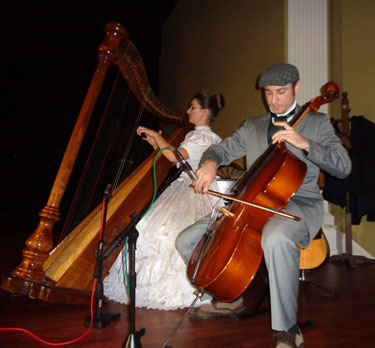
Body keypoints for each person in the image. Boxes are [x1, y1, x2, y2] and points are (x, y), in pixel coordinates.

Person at [176, 64, 351, 347]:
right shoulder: (253, 125)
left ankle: (287, 330)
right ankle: (227, 297)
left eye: (281, 92)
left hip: (299, 204)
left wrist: (304, 142)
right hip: (251, 203)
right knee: (187, 240)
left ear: (297, 88)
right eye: (268, 93)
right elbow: (220, 149)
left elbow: (344, 167)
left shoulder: (316, 124)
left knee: (276, 236)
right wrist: (209, 162)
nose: (274, 100)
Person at [103, 91, 225, 310]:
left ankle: (191, 284)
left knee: (164, 231)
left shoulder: (204, 138)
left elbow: (175, 157)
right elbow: (177, 158)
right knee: (145, 225)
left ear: (205, 112)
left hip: (196, 192)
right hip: (182, 188)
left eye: (193, 107)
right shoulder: (195, 136)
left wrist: (157, 136)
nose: (188, 111)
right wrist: (155, 143)